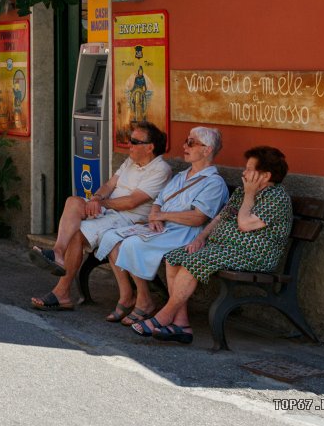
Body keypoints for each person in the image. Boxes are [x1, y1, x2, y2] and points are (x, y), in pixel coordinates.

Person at [136, 146, 292, 344]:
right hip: (225, 249)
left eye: (249, 169)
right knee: (174, 257)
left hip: (253, 256)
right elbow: (220, 217)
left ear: (265, 175)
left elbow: (244, 224)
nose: (243, 173)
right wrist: (201, 237)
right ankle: (182, 324)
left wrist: (250, 195)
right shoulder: (245, 192)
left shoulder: (277, 198)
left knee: (194, 261)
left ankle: (164, 315)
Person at [30, 121, 173, 314]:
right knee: (73, 201)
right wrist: (97, 197)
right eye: (129, 140)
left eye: (134, 141)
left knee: (77, 233)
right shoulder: (130, 161)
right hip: (110, 211)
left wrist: (101, 204)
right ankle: (57, 251)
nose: (129, 145)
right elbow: (109, 185)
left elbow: (132, 202)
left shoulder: (161, 169)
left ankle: (61, 292)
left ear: (150, 147)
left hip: (129, 219)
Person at [117, 126, 231, 336]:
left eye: (191, 143)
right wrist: (154, 216)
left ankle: (149, 304)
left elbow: (198, 217)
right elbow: (159, 202)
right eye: (186, 141)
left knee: (133, 243)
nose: (184, 146)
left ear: (207, 150)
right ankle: (172, 315)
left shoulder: (214, 183)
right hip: (166, 230)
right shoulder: (181, 177)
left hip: (187, 234)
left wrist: (162, 216)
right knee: (124, 239)